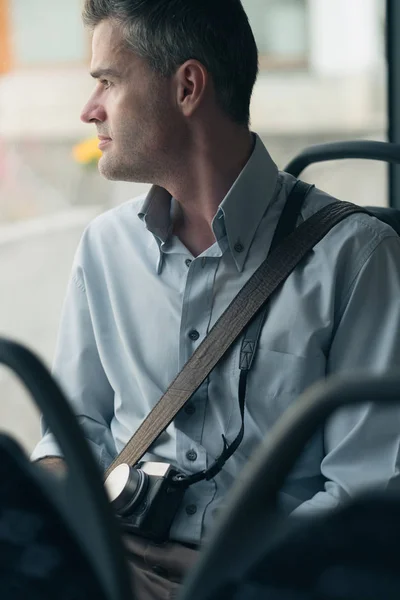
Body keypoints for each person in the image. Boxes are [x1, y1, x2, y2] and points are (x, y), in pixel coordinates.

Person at [32, 0, 400, 598]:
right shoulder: (105, 248)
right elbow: (75, 426)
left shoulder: (356, 260)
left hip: (262, 576)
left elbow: (365, 492)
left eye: (108, 81)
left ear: (187, 87)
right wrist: (59, 507)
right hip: (113, 557)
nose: (88, 110)